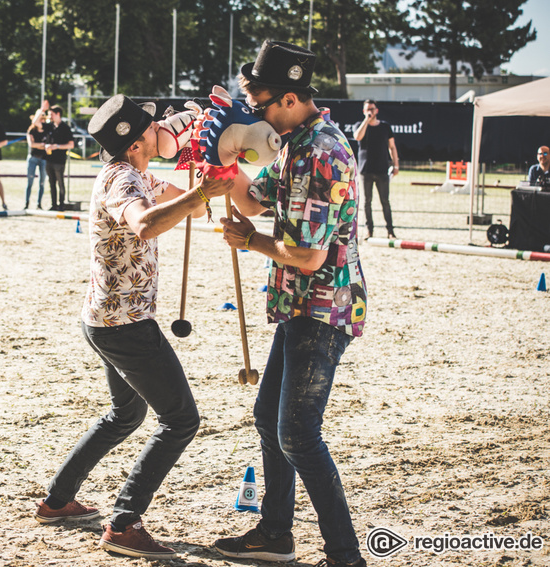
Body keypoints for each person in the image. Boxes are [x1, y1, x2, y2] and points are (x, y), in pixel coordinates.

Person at [35, 94, 227, 559]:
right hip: (125, 325)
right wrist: (201, 194)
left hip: (106, 319)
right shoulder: (122, 180)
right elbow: (144, 224)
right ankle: (124, 523)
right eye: (154, 129)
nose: (164, 132)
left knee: (126, 415)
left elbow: (191, 211)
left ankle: (57, 500)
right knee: (181, 419)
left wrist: (200, 183)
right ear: (139, 140)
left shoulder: (137, 173)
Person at [204, 40, 368, 567]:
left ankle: (346, 555)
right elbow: (254, 199)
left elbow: (308, 256)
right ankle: (276, 534)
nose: (258, 115)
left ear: (293, 97)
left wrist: (251, 241)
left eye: (262, 105)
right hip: (299, 305)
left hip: (322, 307)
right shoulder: (295, 144)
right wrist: (226, 161)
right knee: (267, 418)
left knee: (297, 432)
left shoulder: (322, 152)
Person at [352, 99, 399, 240]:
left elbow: (392, 147)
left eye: (372, 109)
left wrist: (396, 165)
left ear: (376, 110)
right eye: (367, 109)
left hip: (382, 169)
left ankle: (390, 231)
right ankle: (369, 230)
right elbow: (357, 137)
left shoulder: (385, 127)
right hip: (366, 170)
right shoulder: (359, 126)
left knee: (385, 201)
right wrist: (366, 121)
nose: (370, 111)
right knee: (367, 201)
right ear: (364, 111)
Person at [44, 105, 74, 210]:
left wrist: (57, 146)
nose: (49, 117)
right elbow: (35, 123)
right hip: (48, 160)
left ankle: (61, 204)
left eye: (51, 114)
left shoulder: (65, 128)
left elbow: (71, 144)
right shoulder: (49, 126)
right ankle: (53, 205)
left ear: (58, 114)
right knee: (51, 183)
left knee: (60, 182)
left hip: (59, 161)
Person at [24, 108, 48, 209]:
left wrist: (39, 145)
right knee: (30, 182)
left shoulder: (47, 129)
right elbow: (32, 144)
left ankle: (39, 204)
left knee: (42, 183)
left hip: (43, 159)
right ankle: (26, 203)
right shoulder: (31, 130)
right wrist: (42, 145)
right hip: (33, 158)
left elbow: (46, 144)